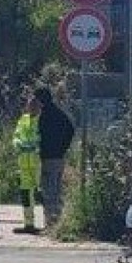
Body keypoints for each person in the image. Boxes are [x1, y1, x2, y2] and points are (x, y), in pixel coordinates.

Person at [36, 87, 76, 230]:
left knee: (49, 190)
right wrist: (63, 147)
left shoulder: (45, 115)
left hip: (49, 157)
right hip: (59, 157)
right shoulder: (59, 113)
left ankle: (52, 223)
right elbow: (71, 129)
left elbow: (39, 136)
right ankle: (57, 221)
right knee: (56, 189)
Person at [12, 93, 42, 235]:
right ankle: (29, 224)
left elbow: (42, 137)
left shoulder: (42, 120)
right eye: (30, 105)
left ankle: (51, 222)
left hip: (38, 162)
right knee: (25, 194)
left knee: (42, 192)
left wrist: (36, 145)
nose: (32, 107)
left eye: (35, 105)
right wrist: (19, 145)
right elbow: (16, 136)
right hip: (24, 162)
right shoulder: (23, 120)